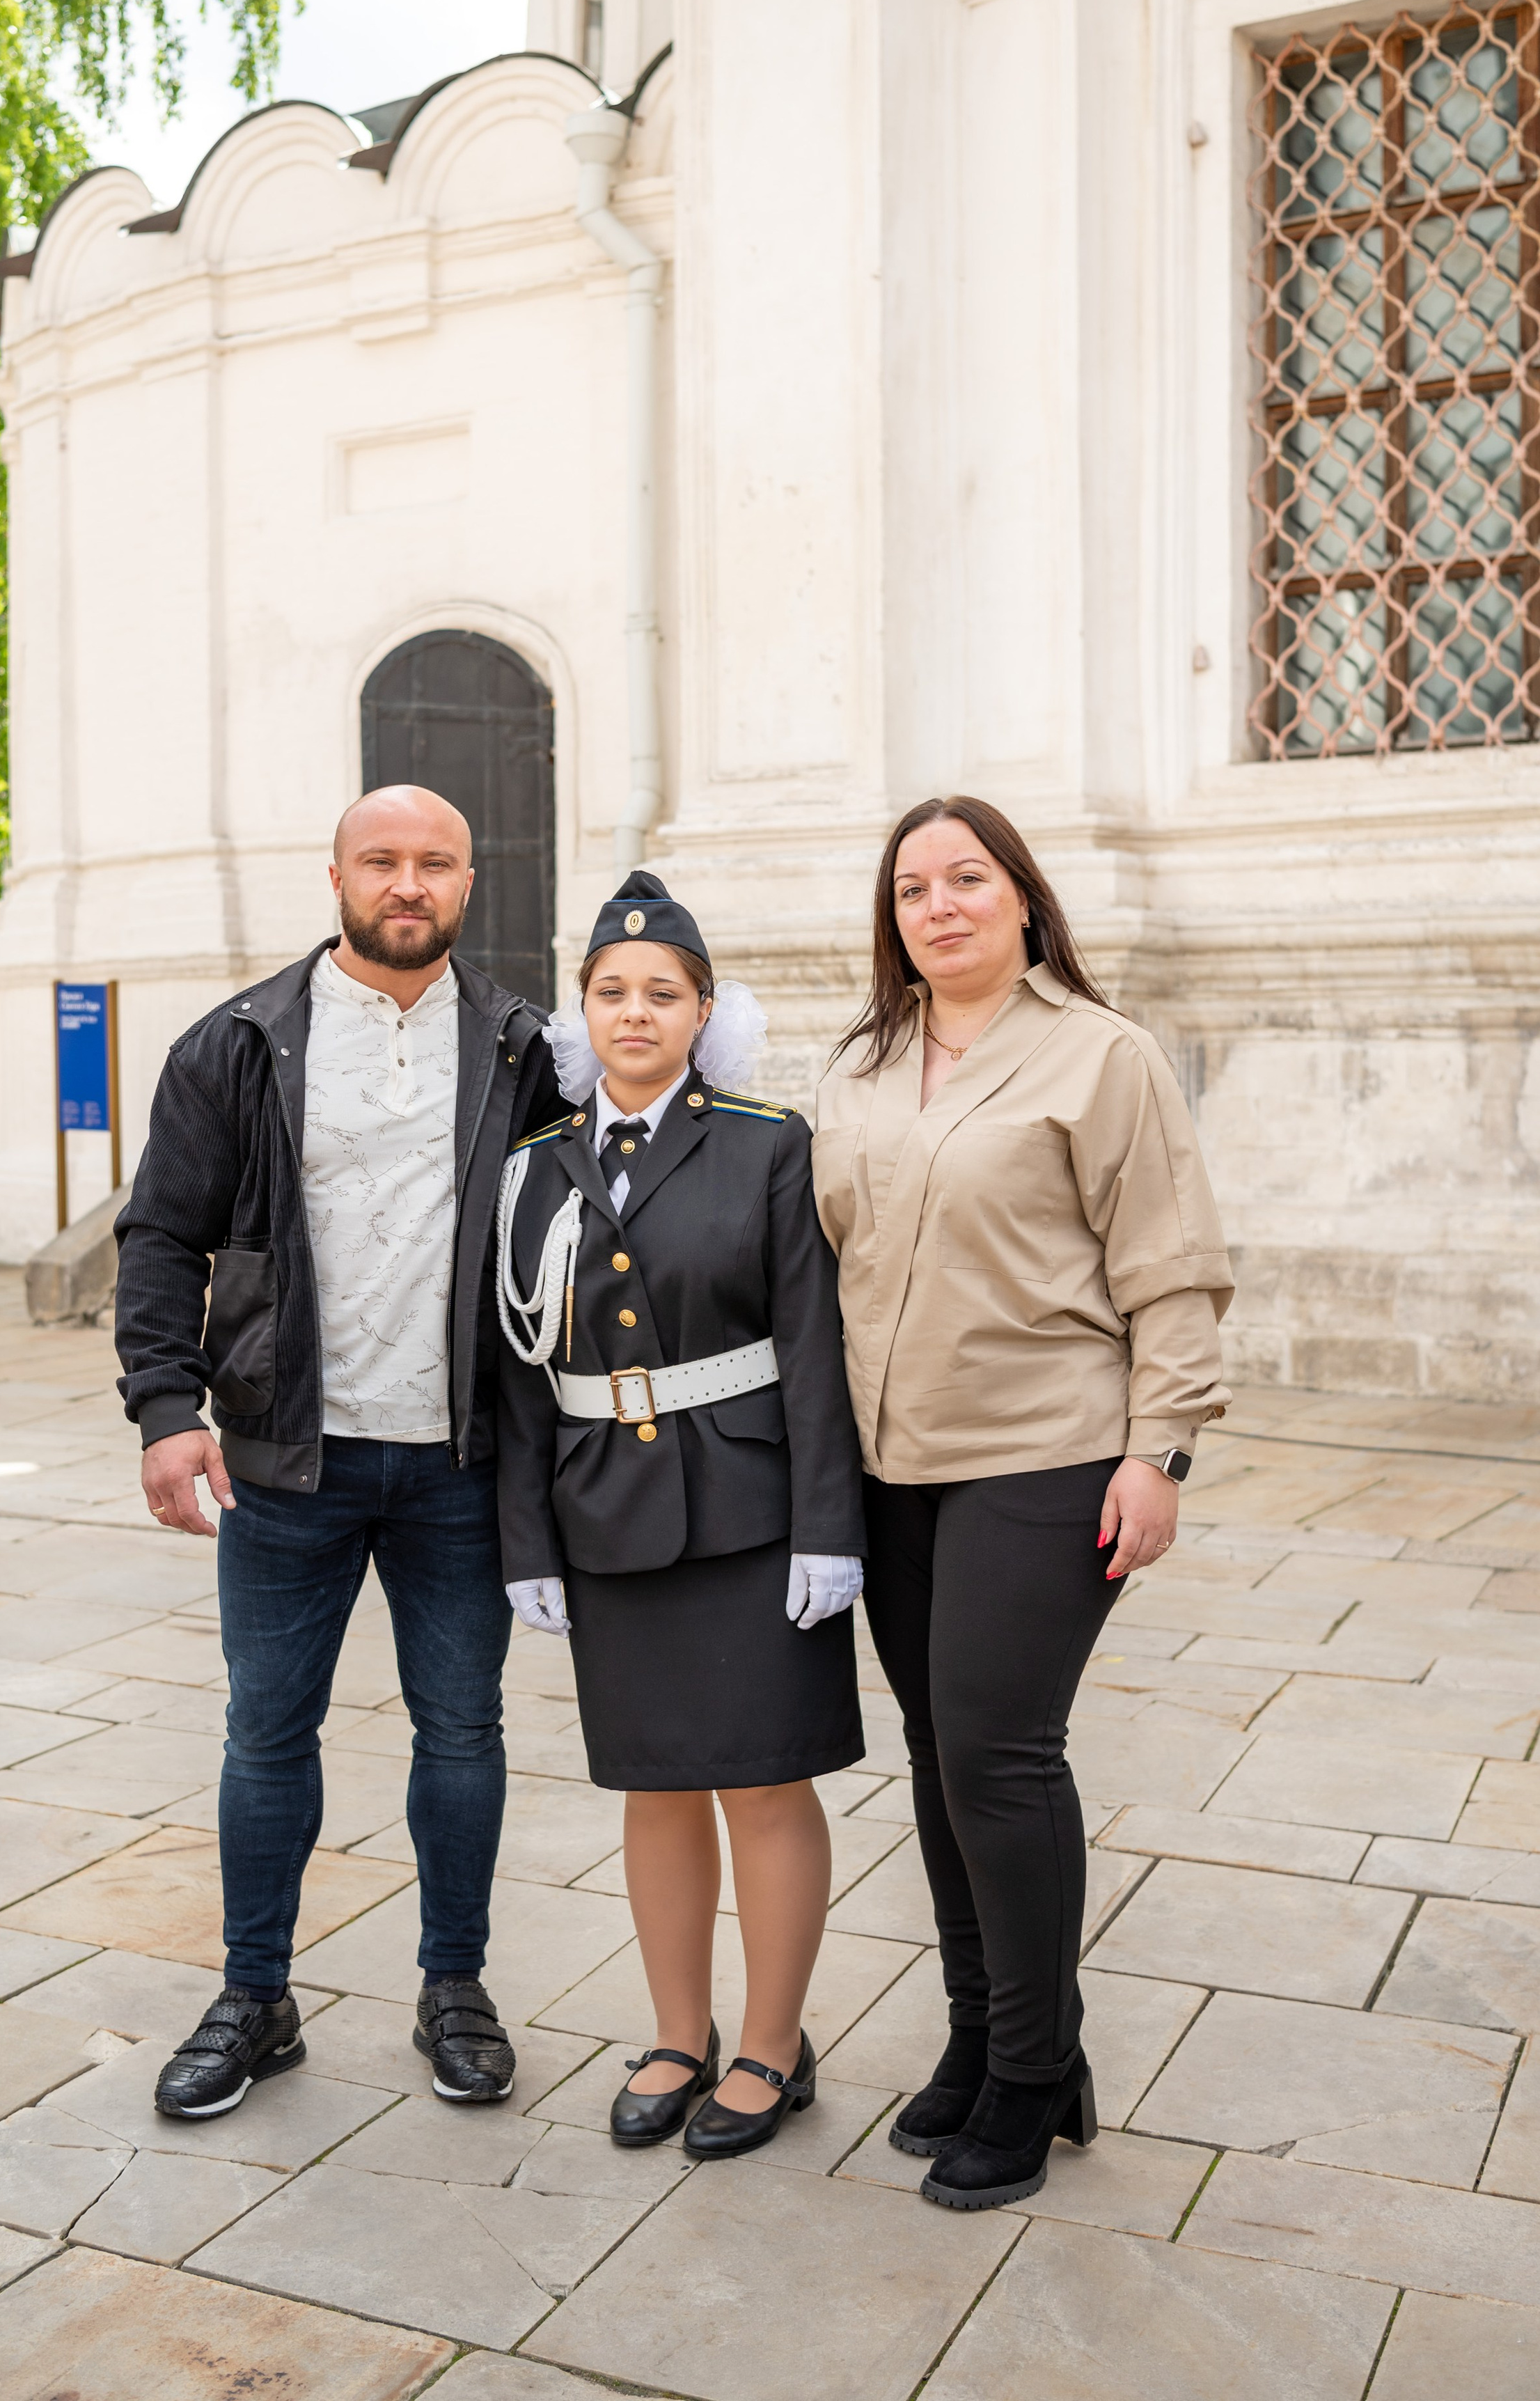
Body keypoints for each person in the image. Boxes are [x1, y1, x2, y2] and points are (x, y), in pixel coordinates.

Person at [113, 786, 563, 2119]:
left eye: (434, 862)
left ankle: (455, 1986)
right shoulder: (240, 1042)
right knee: (267, 1735)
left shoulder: (529, 1048)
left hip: (459, 1461)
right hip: (283, 1460)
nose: (407, 883)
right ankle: (256, 1996)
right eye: (383, 861)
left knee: (463, 1728)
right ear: (337, 875)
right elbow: (160, 1237)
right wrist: (165, 1407)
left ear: (469, 882)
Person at [812, 795, 1232, 2213]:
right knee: (937, 1758)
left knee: (997, 1757)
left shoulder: (1098, 1056)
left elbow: (1169, 1264)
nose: (937, 905)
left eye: (965, 879)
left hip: (1046, 1454)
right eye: (911, 887)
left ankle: (1032, 2069)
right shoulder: (859, 1065)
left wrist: (1156, 1450)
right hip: (890, 1466)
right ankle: (981, 2032)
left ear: (1021, 899)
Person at [497, 870, 865, 2158]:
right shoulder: (535, 1167)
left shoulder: (768, 1141)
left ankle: (771, 2043)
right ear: (580, 1010)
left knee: (765, 1781)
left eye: (664, 992)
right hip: (608, 1517)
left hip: (757, 1509)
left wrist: (833, 1526)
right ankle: (676, 2030)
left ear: (705, 1013)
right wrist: (524, 1546)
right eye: (612, 990)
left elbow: (815, 1347)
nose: (635, 1010)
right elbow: (519, 1376)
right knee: (654, 1785)